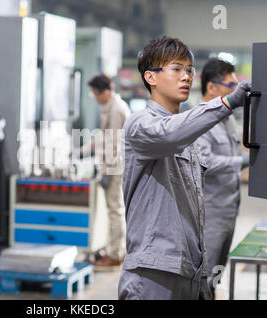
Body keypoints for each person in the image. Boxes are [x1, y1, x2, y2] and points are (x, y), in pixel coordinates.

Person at [118, 36, 251, 300]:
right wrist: (227, 103)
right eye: (176, 69)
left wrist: (201, 277)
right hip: (153, 271)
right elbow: (169, 135)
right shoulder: (140, 125)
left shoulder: (186, 137)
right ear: (151, 77)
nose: (186, 76)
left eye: (189, 70)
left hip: (188, 271)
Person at [197, 58, 249, 298]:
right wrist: (243, 162)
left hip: (230, 208)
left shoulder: (226, 119)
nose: (234, 91)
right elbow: (206, 162)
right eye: (230, 86)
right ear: (211, 87)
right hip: (211, 211)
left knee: (218, 270)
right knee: (204, 275)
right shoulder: (199, 121)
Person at [82, 74, 131, 270]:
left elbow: (113, 143)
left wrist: (107, 172)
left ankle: (115, 254)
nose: (94, 97)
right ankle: (115, 249)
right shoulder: (110, 107)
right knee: (114, 209)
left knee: (115, 210)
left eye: (95, 93)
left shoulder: (116, 109)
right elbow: (103, 137)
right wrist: (82, 150)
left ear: (104, 92)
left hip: (115, 166)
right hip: (112, 164)